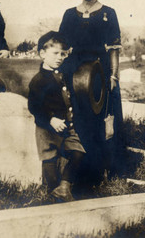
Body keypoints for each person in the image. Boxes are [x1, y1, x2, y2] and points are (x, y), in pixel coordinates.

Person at [57, 0, 127, 183]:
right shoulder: (69, 14)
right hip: (73, 69)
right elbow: (61, 45)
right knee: (77, 116)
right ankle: (78, 168)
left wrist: (114, 75)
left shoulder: (108, 13)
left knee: (103, 117)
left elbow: (114, 47)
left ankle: (103, 170)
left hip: (101, 71)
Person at [28, 31, 86, 202]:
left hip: (67, 126)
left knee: (78, 153)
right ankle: (52, 192)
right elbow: (34, 107)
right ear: (42, 54)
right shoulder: (39, 80)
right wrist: (51, 119)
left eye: (63, 54)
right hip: (46, 128)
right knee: (50, 159)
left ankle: (63, 188)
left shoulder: (62, 75)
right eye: (55, 53)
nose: (60, 57)